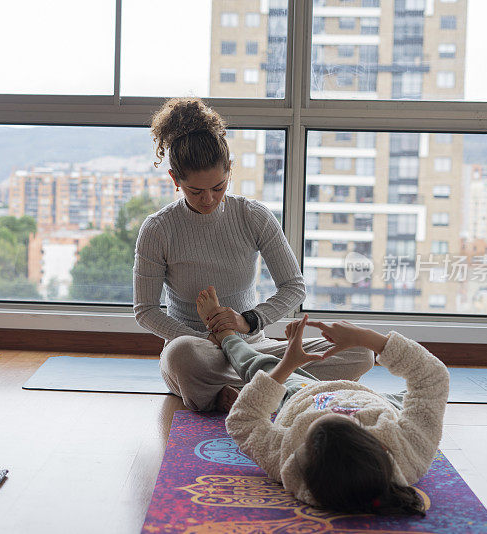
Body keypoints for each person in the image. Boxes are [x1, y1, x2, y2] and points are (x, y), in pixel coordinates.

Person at [134, 97, 373, 412]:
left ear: (229, 170)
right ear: (175, 180)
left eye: (218, 187)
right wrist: (208, 338)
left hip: (253, 346)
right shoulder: (158, 229)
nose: (208, 199)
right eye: (195, 191)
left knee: (360, 350)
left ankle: (249, 391)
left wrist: (246, 322)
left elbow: (293, 286)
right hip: (197, 350)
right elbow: (146, 310)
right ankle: (279, 387)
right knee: (182, 357)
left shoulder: (253, 215)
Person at [195, 286, 449, 516]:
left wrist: (287, 364)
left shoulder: (288, 460)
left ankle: (226, 335)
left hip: (304, 396)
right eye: (349, 419)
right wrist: (367, 338)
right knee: (425, 400)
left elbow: (243, 421)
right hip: (381, 403)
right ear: (380, 447)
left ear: (302, 455)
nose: (338, 411)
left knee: (259, 368)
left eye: (321, 420)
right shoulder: (410, 453)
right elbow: (432, 377)